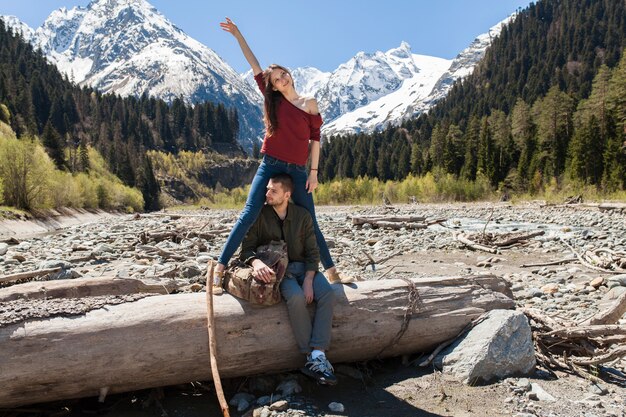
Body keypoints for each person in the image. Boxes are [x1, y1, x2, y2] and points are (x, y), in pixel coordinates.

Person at [211, 17, 349, 293]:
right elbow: (254, 64)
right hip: (271, 165)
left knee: (310, 220)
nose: (281, 78)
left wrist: (313, 173)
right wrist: (238, 35)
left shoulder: (309, 103)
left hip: (299, 171)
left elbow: (315, 139)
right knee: (249, 213)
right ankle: (220, 267)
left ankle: (332, 271)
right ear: (271, 85)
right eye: (275, 79)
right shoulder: (272, 99)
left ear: (289, 74)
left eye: (283, 73)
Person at [240, 173, 337, 385]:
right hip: (280, 272)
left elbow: (313, 252)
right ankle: (309, 355)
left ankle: (318, 353)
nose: (267, 194)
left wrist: (310, 280)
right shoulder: (260, 216)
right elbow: (245, 250)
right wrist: (257, 264)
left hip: (306, 269)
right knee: (295, 297)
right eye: (267, 189)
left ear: (287, 194)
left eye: (272, 191)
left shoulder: (302, 216)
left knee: (328, 294)